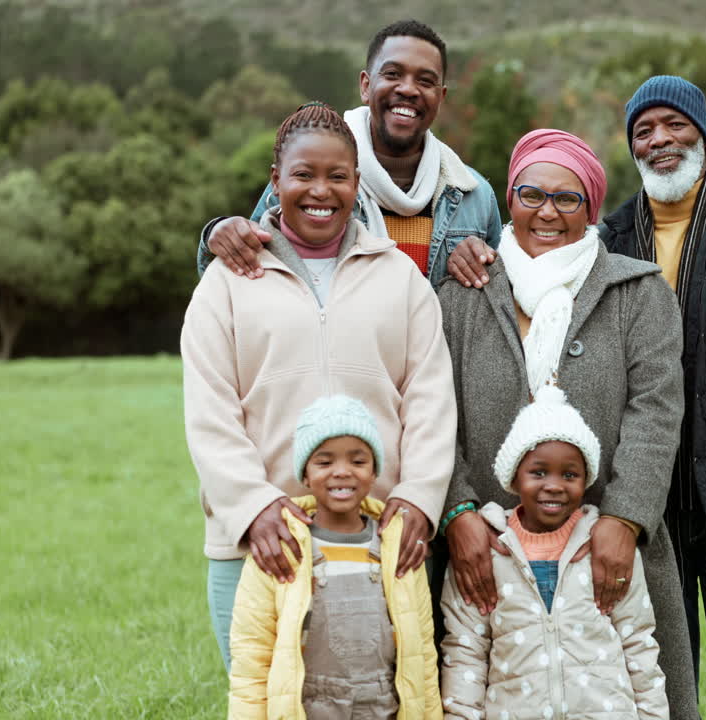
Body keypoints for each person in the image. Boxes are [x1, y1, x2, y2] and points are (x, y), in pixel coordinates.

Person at [446, 77, 706, 720]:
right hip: (610, 512)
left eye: (676, 125)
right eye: (644, 130)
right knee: (621, 679)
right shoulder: (608, 238)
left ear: (704, 135)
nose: (661, 139)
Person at [436, 129, 701, 719]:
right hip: (487, 552)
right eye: (530, 194)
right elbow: (433, 413)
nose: (547, 212)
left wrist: (625, 519)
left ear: (593, 206)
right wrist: (458, 513)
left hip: (605, 549)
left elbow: (656, 413)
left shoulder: (638, 292)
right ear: (509, 197)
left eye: (567, 198)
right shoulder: (464, 291)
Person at [182, 101, 456, 670]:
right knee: (267, 702)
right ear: (275, 181)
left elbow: (431, 398)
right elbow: (210, 412)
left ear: (358, 184)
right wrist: (254, 508)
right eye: (303, 175)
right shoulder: (226, 285)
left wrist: (417, 501)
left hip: (379, 541)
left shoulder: (400, 278)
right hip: (262, 546)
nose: (320, 191)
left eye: (337, 176)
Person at [197, 19, 502, 287]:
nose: (408, 89)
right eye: (393, 74)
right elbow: (241, 271)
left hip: (431, 353)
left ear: (441, 97)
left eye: (425, 81)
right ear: (366, 86)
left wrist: (483, 264)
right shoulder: (309, 179)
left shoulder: (473, 195)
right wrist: (219, 233)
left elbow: (498, 299)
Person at [439, 385, 667, 720]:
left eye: (570, 474)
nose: (554, 485)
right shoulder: (490, 552)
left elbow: (639, 644)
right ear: (514, 477)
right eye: (539, 472)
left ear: (586, 479)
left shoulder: (605, 551)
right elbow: (465, 653)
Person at [228, 395, 441, 720]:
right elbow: (251, 655)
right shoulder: (280, 547)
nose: (342, 472)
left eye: (357, 462)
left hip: (383, 707)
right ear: (305, 476)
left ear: (374, 473)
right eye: (325, 463)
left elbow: (422, 653)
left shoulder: (396, 546)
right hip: (309, 707)